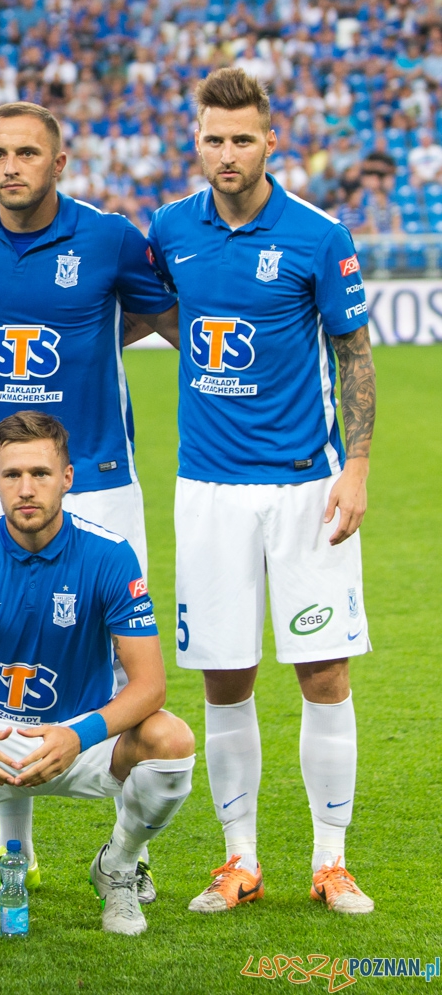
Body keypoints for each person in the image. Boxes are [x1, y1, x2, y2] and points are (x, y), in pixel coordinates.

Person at [148, 68, 377, 916]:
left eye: (243, 138)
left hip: (303, 486)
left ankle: (332, 860)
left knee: (322, 673)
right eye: (214, 137)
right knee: (224, 677)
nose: (228, 153)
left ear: (271, 140)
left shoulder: (319, 234)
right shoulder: (171, 229)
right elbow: (165, 312)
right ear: (196, 138)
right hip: (207, 489)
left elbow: (353, 352)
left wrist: (355, 466)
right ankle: (238, 859)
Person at [0, 100, 179, 898]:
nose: (11, 166)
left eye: (27, 153)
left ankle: (126, 855)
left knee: (120, 658)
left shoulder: (107, 236)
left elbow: (159, 314)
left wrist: (86, 353)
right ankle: (15, 845)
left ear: (60, 162)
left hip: (103, 478)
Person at [0, 412, 195, 937]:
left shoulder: (111, 555)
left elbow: (151, 686)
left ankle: (119, 868)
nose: (26, 489)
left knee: (172, 740)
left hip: (80, 733)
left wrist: (78, 735)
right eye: (12, 475)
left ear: (68, 478)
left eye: (41, 473)